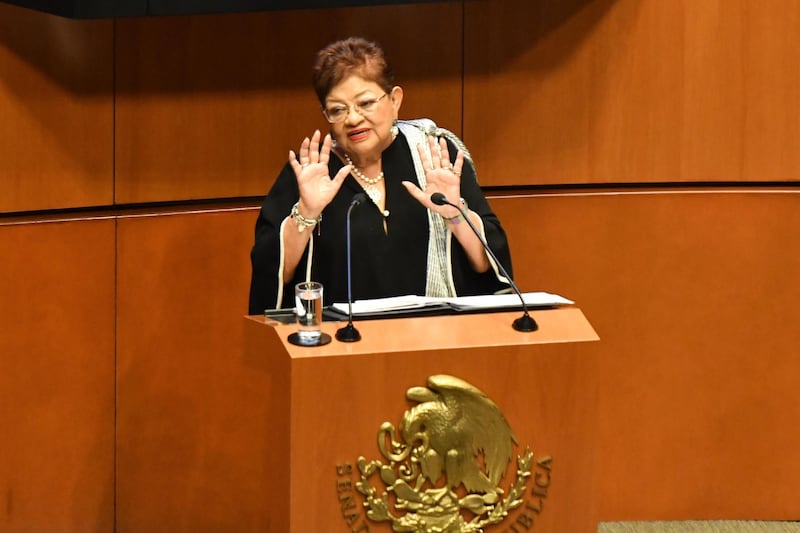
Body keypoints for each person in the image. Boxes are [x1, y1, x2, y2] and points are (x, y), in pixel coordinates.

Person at [248, 36, 514, 314]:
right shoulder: (310, 173)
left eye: (365, 103)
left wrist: (454, 213)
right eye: (338, 110)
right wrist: (306, 213)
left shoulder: (435, 155)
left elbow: (489, 266)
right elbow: (272, 277)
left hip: (435, 337)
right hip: (340, 343)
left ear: (395, 100)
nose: (352, 119)